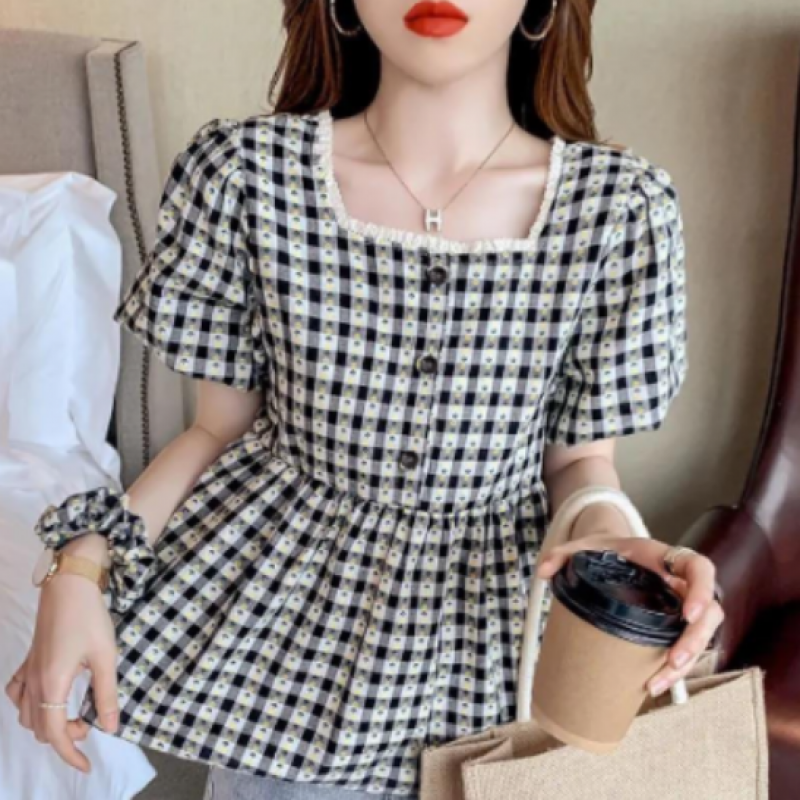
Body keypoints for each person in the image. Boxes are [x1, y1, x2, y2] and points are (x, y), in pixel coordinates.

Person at [5, 0, 724, 798]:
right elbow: (215, 431)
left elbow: (580, 464)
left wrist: (617, 543)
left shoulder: (618, 211)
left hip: (497, 644)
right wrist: (80, 565)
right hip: (287, 646)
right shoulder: (247, 176)